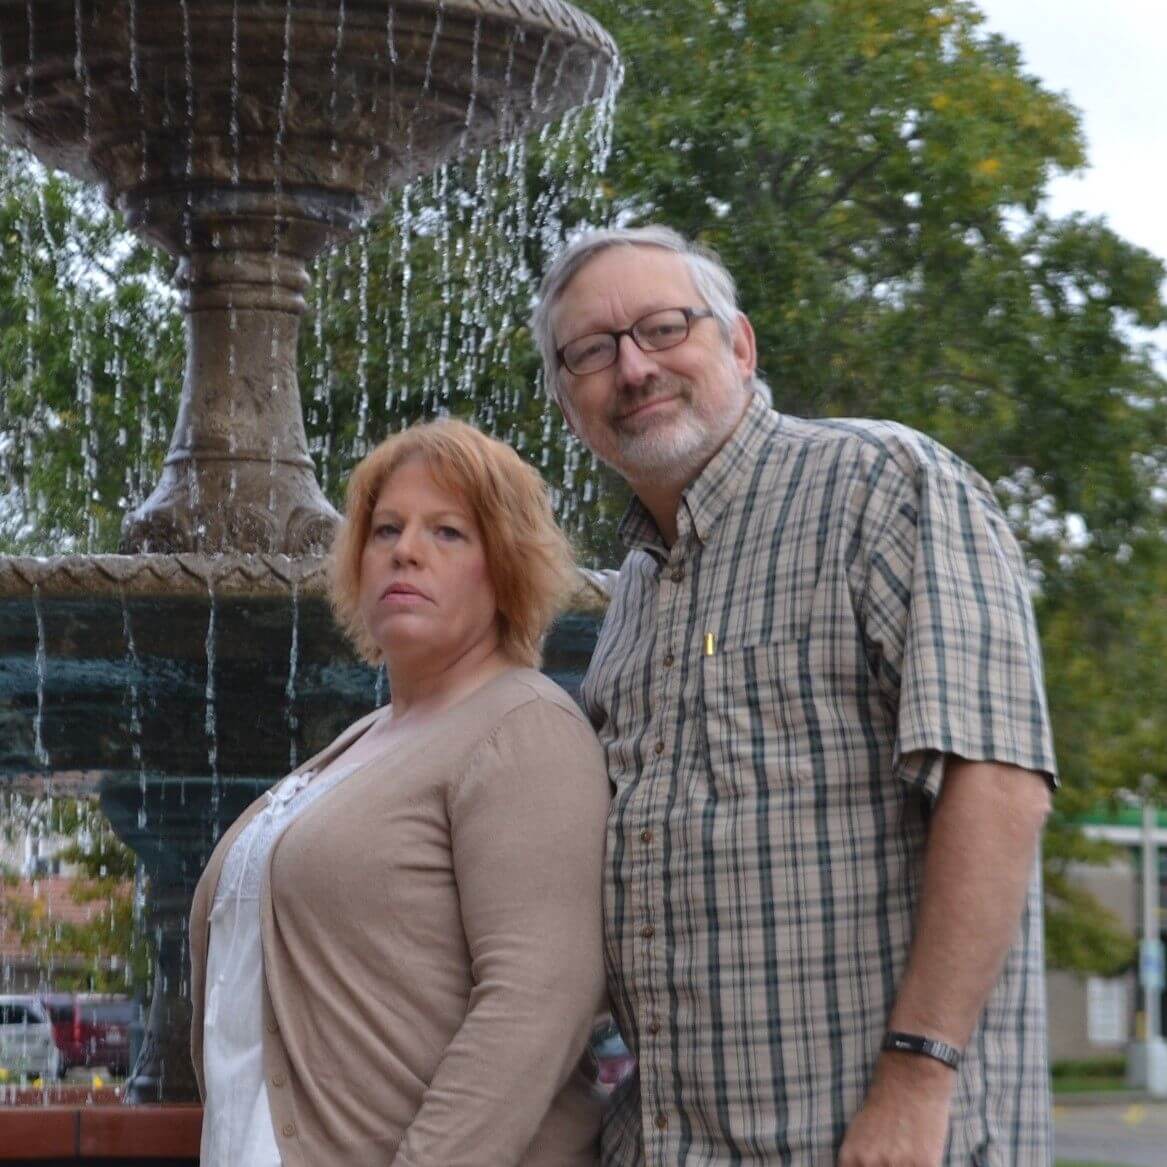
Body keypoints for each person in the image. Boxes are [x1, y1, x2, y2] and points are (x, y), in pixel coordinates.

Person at [530, 225, 1057, 1166]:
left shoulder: (881, 485)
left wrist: (917, 1076)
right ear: (568, 403)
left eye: (662, 328)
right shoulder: (631, 597)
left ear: (739, 344)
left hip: (872, 1135)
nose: (634, 368)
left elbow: (998, 785)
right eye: (592, 352)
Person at [189, 419, 611, 1167]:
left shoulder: (524, 727)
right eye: (386, 528)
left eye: (447, 532)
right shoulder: (362, 741)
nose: (405, 550)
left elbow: (537, 1000)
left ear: (504, 564)